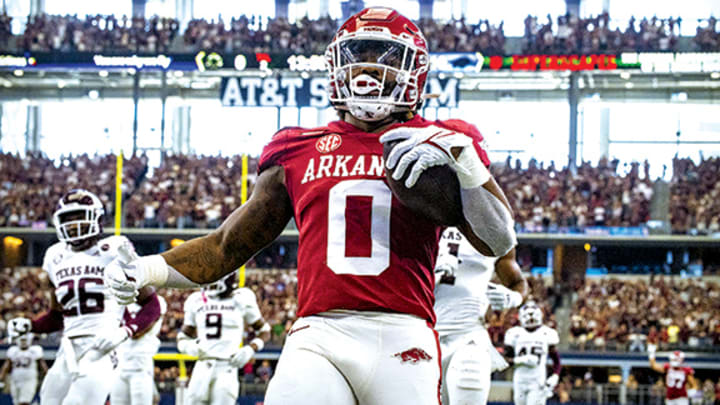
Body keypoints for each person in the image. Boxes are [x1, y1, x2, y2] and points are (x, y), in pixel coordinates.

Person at [105, 7, 517, 405]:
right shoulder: (296, 148)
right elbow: (226, 246)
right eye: (358, 59)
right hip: (319, 334)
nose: (368, 71)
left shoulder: (441, 140)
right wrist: (146, 269)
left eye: (384, 60)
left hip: (403, 332)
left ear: (414, 71)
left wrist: (468, 166)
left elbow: (497, 241)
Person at [6, 189, 162, 405]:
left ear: (96, 217)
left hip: (102, 345)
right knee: (48, 400)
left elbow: (151, 305)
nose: (73, 224)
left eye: (79, 216)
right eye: (67, 219)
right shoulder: (54, 256)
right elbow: (57, 316)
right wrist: (30, 325)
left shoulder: (114, 249)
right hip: (67, 347)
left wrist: (126, 331)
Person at [434, 227, 527, 405]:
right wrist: (428, 276)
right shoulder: (422, 214)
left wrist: (513, 297)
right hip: (422, 336)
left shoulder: (494, 227)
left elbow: (517, 282)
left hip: (469, 337)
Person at [176, 271, 270, 405]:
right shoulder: (196, 300)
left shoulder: (241, 298)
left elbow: (264, 331)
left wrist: (250, 349)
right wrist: (189, 347)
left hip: (227, 367)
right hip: (202, 365)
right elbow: (183, 336)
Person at [111, 295, 168, 405]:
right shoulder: (119, 300)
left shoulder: (158, 302)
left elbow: (137, 333)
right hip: (120, 364)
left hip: (141, 365)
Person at [504, 301, 561, 405]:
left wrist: (555, 376)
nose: (530, 319)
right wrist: (521, 361)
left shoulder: (546, 333)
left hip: (537, 381)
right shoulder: (514, 333)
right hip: (519, 381)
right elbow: (506, 360)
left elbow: (556, 360)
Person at [0, 333, 47, 405]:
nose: (23, 342)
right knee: (16, 402)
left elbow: (43, 366)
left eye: (25, 340)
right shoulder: (13, 350)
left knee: (24, 402)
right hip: (15, 379)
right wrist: (1, 378)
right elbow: (6, 366)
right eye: (22, 340)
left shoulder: (35, 350)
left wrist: (48, 377)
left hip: (29, 379)